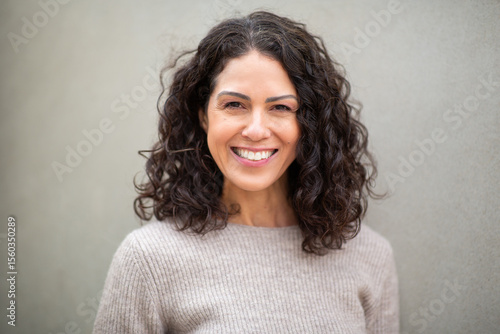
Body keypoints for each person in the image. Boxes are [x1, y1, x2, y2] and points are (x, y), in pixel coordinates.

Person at [94, 10, 399, 333]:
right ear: (203, 116)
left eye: (280, 108)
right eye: (234, 105)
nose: (256, 130)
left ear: (309, 124)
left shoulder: (370, 256)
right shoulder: (148, 259)